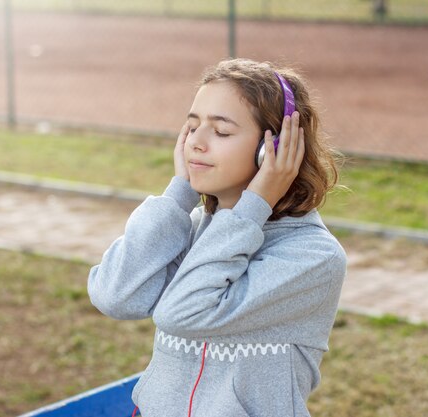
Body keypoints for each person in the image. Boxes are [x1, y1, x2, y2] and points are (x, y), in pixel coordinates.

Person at [87, 57, 347, 417]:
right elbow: (115, 295)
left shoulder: (312, 258)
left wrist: (254, 205)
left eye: (221, 131)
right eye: (192, 127)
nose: (197, 142)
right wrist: (178, 196)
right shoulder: (191, 227)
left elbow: (182, 314)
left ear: (274, 148)